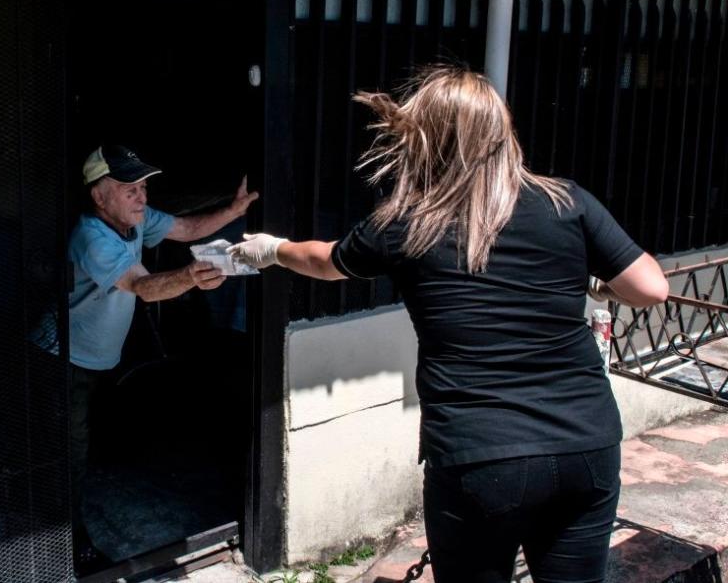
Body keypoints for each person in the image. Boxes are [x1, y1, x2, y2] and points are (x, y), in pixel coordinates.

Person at [228, 66, 668, 583]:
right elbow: (651, 288)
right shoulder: (566, 201)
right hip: (585, 444)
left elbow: (325, 261)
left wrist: (273, 249)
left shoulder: (407, 222)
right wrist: (596, 284)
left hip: (479, 456)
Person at [38, 144, 258, 574]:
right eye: (129, 189)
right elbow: (142, 286)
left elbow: (188, 227)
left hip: (98, 357)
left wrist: (235, 210)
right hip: (61, 358)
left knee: (83, 442)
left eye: (142, 187)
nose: (141, 197)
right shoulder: (91, 236)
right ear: (99, 197)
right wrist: (191, 277)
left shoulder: (135, 220)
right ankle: (70, 546)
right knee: (68, 453)